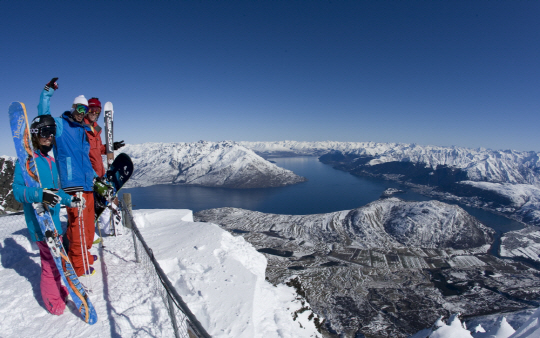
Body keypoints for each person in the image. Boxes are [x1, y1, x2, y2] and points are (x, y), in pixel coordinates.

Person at [12, 114, 84, 315]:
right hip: (39, 223)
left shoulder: (49, 161)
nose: (49, 137)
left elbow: (54, 191)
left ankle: (57, 290)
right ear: (35, 134)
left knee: (56, 261)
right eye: (44, 132)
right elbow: (18, 191)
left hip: (52, 222)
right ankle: (53, 302)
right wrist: (39, 194)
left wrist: (70, 200)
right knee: (49, 262)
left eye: (52, 133)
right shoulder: (26, 161)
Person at [37, 78, 97, 277]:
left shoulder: (83, 130)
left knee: (88, 225)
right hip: (72, 185)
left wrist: (95, 178)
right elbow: (43, 115)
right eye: (79, 109)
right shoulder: (61, 126)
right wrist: (47, 93)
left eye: (85, 110)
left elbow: (86, 158)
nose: (82, 113)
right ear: (73, 108)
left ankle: (84, 256)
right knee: (78, 227)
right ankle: (77, 266)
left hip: (87, 183)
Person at [84, 97, 124, 237]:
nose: (94, 112)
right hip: (91, 174)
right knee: (97, 204)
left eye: (97, 110)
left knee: (106, 201)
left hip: (100, 172)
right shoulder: (82, 129)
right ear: (86, 110)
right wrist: (91, 174)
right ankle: (100, 233)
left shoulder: (96, 129)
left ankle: (112, 230)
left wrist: (110, 147)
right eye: (91, 109)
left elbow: (98, 149)